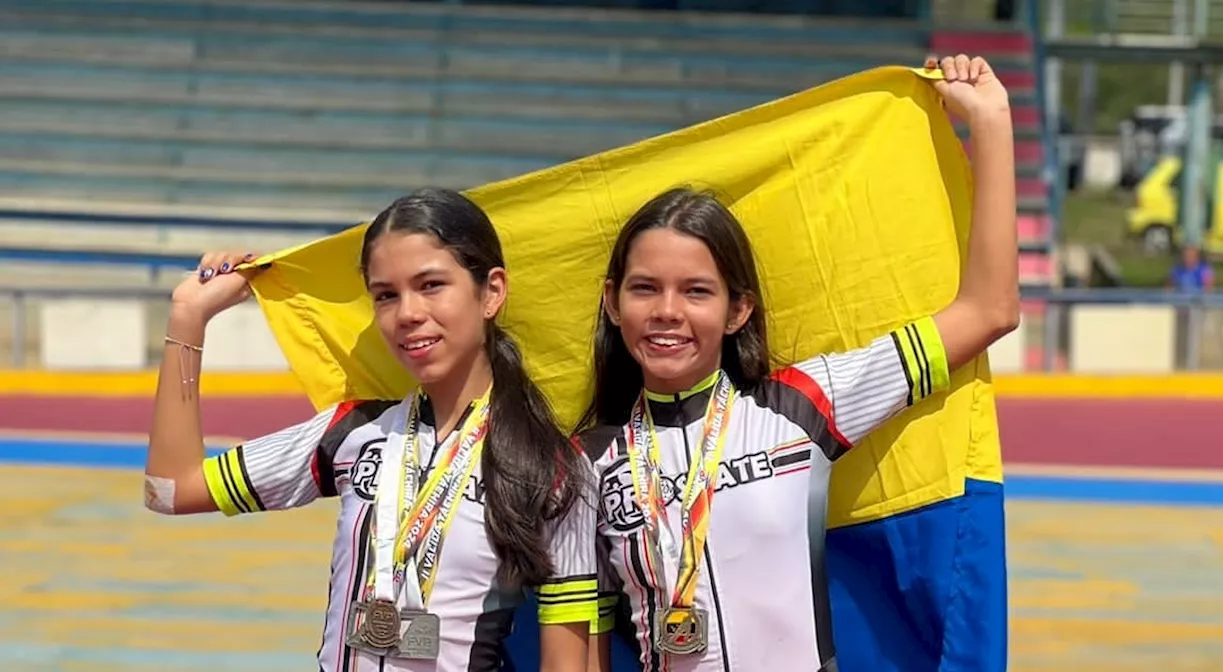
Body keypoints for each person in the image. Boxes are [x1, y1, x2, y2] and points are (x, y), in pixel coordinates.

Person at [576, 54, 1018, 671]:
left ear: (738, 311)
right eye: (644, 288)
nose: (667, 312)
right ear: (613, 303)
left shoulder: (803, 404)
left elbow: (989, 310)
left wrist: (992, 124)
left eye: (697, 291)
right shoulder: (585, 462)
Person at [142, 189, 599, 672]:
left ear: (491, 291)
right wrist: (189, 319)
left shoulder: (551, 470)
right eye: (386, 295)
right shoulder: (354, 432)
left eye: (431, 285)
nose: (407, 313)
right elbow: (170, 489)